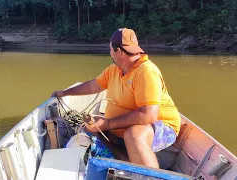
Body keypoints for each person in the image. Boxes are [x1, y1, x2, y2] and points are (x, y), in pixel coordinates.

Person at [51, 28, 181, 169]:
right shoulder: (114, 69)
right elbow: (94, 85)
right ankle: (125, 159)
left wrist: (107, 124)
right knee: (88, 130)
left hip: (162, 126)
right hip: (121, 128)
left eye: (110, 49)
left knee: (134, 135)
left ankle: (150, 177)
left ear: (118, 50)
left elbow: (148, 116)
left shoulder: (146, 71)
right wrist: (65, 93)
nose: (110, 53)